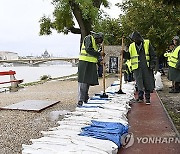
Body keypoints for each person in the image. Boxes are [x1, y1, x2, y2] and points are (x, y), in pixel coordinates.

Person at [124, 31, 156, 105]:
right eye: (133, 39)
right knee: (139, 83)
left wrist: (152, 64)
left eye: (135, 39)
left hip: (146, 66)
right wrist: (124, 54)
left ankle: (147, 98)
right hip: (137, 67)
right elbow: (129, 56)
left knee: (147, 82)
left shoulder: (147, 43)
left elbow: (153, 55)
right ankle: (140, 97)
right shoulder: (131, 46)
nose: (134, 41)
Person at [77, 32, 105, 106]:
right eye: (100, 40)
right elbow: (88, 49)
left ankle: (85, 97)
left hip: (91, 64)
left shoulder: (96, 45)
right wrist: (99, 54)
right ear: (97, 37)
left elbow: (95, 55)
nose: (100, 42)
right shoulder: (89, 38)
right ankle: (81, 99)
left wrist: (100, 61)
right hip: (84, 62)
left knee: (88, 81)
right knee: (83, 81)